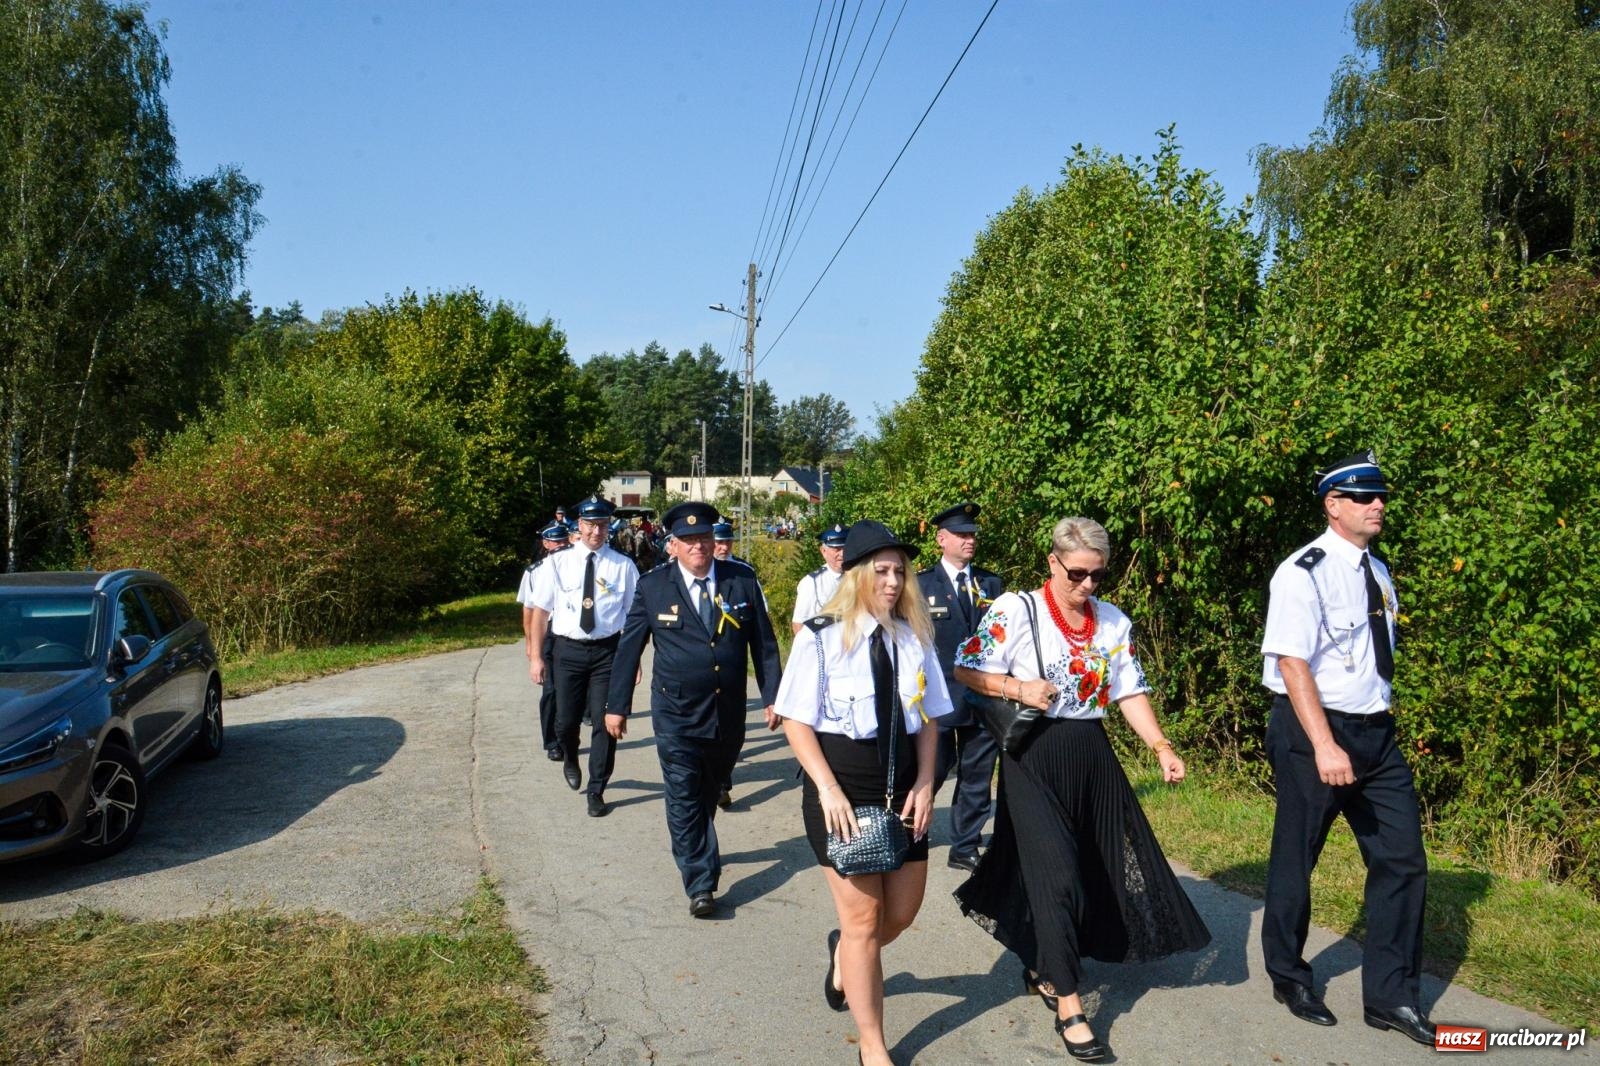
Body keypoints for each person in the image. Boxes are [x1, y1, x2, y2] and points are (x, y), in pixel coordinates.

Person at [952, 517, 1209, 1061]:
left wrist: (1161, 747)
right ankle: (1070, 1005)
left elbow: (1129, 691)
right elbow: (967, 668)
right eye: (1077, 574)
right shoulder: (1016, 609)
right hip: (1032, 756)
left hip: (1092, 754)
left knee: (1096, 868)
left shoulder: (1111, 621)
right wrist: (1016, 686)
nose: (1087, 584)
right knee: (1057, 876)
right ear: (1053, 562)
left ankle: (1044, 960)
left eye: (1098, 575)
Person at [1260, 451, 1433, 1045]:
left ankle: (1391, 997)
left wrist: (1370, 731)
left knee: (1402, 859)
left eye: (1380, 495)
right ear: (1333, 505)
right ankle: (1289, 976)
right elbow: (1292, 663)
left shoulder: (1377, 570)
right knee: (1297, 856)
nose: (1377, 504)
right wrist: (1326, 745)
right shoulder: (1302, 572)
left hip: (1375, 734)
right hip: (1314, 731)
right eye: (1363, 496)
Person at [775, 520, 955, 1066]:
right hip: (843, 789)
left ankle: (844, 959)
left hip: (905, 788)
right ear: (856, 574)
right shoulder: (820, 637)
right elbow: (796, 721)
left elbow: (930, 718)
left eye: (899, 571)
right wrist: (827, 789)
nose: (893, 581)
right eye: (881, 571)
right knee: (862, 922)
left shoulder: (914, 636)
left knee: (898, 915)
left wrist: (926, 783)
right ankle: (873, 1045)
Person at [606, 501, 782, 918]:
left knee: (708, 789)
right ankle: (701, 882)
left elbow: (764, 644)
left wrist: (774, 696)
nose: (698, 546)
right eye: (688, 540)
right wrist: (617, 706)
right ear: (673, 545)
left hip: (728, 712)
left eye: (703, 537)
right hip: (676, 713)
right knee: (683, 793)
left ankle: (696, 844)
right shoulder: (654, 586)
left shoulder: (741, 580)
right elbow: (629, 648)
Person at [527, 495, 639, 817]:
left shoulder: (623, 566)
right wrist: (536, 657)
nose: (596, 531)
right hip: (568, 650)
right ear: (579, 525)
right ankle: (571, 756)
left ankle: (596, 788)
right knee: (565, 721)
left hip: (608, 652)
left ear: (608, 527)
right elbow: (540, 613)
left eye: (602, 525)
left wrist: (632, 661)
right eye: (590, 525)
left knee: (606, 722)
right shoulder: (557, 563)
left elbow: (635, 619)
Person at [916, 502, 1005, 873]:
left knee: (977, 777)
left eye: (972, 534)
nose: (970, 540)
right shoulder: (921, 585)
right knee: (931, 771)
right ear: (941, 539)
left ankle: (965, 846)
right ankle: (910, 831)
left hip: (982, 697)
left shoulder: (991, 584)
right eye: (962, 534)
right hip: (937, 699)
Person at [519, 522, 572, 761]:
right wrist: (532, 646)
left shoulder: (575, 565)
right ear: (546, 544)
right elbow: (529, 612)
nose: (560, 545)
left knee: (570, 690)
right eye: (555, 542)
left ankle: (568, 736)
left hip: (569, 633)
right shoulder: (535, 572)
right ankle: (552, 742)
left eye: (564, 541)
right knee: (550, 690)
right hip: (547, 633)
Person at [791, 523, 848, 634]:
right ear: (823, 551)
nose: (842, 554)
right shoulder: (812, 583)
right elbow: (799, 625)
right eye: (836, 549)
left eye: (845, 548)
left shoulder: (859, 577)